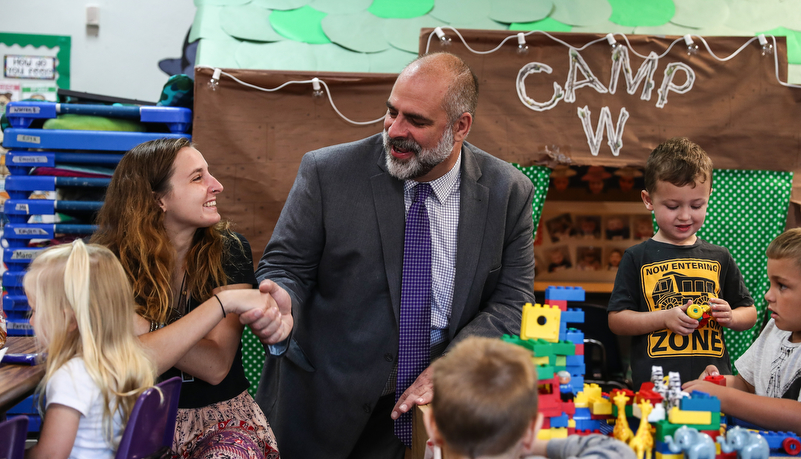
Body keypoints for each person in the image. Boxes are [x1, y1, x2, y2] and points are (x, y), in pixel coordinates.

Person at [250, 52, 536, 459]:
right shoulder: (327, 171)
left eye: (416, 121)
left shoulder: (509, 192)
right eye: (391, 112)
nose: (395, 130)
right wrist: (282, 296)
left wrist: (453, 367)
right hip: (321, 405)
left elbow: (513, 301)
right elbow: (286, 265)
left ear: (461, 127)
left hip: (427, 409)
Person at [92, 138, 289, 458]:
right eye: (198, 178)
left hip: (222, 423)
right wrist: (224, 304)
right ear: (158, 199)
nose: (217, 186)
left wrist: (144, 330)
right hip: (134, 423)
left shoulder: (229, 249)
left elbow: (215, 366)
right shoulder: (108, 262)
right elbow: (134, 363)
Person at [607, 137, 757, 389]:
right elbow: (617, 320)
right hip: (655, 388)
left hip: (713, 384)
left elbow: (750, 312)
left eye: (697, 205)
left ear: (709, 195)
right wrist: (663, 318)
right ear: (648, 200)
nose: (685, 215)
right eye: (672, 206)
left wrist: (731, 316)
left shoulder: (720, 256)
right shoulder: (636, 257)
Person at [24, 241, 156, 459]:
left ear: (69, 320)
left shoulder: (72, 376)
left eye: (35, 310)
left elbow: (51, 455)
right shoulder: (124, 365)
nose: (31, 321)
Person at [422, 336, 635, 459]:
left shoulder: (433, 447)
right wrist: (529, 444)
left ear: (432, 425)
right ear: (532, 429)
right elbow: (618, 452)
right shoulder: (530, 442)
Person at [683, 228, 801, 434]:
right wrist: (717, 384)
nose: (767, 295)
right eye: (770, 283)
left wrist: (724, 398)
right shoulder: (774, 329)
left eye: (781, 286)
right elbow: (745, 386)